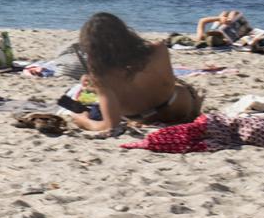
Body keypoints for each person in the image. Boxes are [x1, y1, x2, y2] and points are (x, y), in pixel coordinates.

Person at [69, 12, 202, 134]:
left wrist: (84, 121)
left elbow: (110, 125)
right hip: (179, 108)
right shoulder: (158, 49)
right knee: (180, 87)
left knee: (82, 96)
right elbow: (163, 81)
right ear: (124, 32)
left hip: (142, 119)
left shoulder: (101, 76)